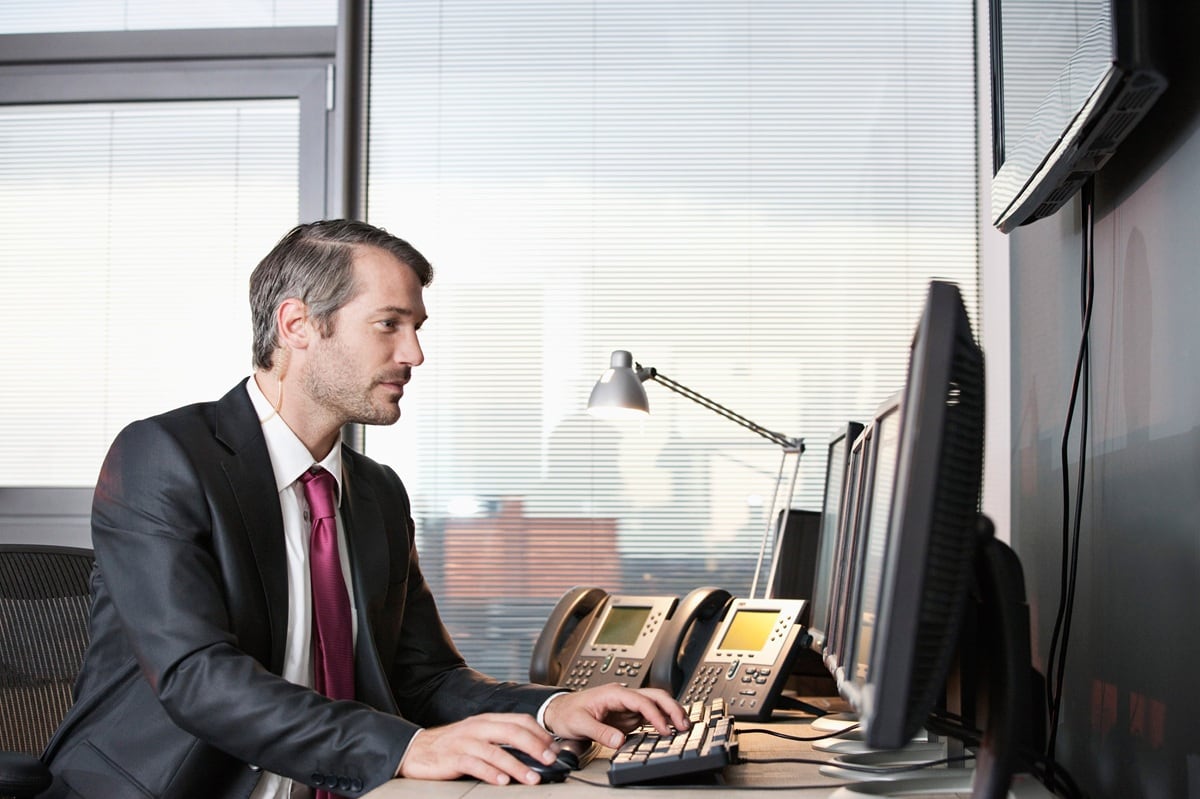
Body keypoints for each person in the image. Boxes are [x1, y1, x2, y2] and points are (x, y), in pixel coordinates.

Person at [42, 220, 688, 798]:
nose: (414, 354)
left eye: (417, 329)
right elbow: (198, 676)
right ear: (297, 325)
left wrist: (555, 708)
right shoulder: (166, 458)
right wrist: (405, 746)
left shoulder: (377, 492)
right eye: (389, 324)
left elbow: (425, 678)